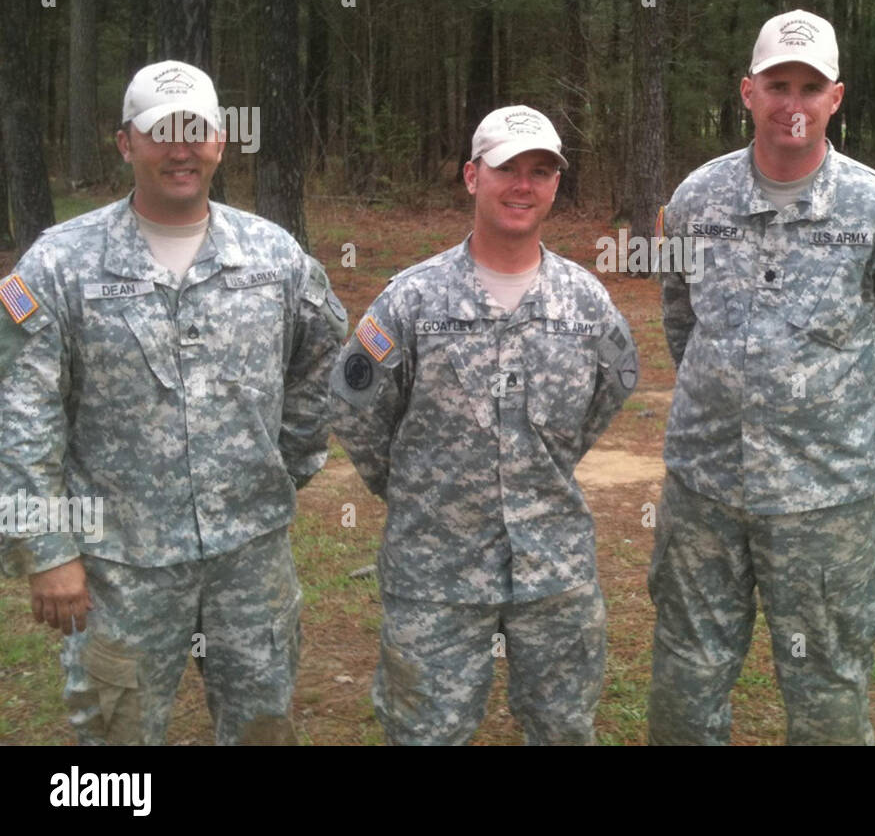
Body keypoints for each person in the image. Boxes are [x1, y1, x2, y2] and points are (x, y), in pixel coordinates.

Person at [0, 59, 347, 744]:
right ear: (126, 141)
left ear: (219, 139)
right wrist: (46, 549)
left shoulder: (272, 255)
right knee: (114, 738)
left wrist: (293, 456)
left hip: (251, 561)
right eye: (162, 132)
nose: (180, 148)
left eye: (196, 130)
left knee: (263, 727)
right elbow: (21, 411)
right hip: (117, 565)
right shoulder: (60, 263)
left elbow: (323, 355)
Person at [648, 9, 875, 744]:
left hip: (824, 505)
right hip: (704, 493)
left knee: (828, 690)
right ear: (748, 91)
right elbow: (681, 317)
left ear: (835, 99)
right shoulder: (695, 201)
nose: (793, 103)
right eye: (778, 84)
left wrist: (846, 424)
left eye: (810, 87)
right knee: (686, 677)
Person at [329, 105, 638, 745]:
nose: (523, 185)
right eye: (507, 169)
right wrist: (415, 489)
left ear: (556, 184)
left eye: (541, 171)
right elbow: (355, 407)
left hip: (554, 574)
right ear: (473, 176)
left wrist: (540, 469)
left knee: (562, 731)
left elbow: (612, 390)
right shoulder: (412, 299)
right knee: (424, 734)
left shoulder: (586, 303)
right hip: (435, 573)